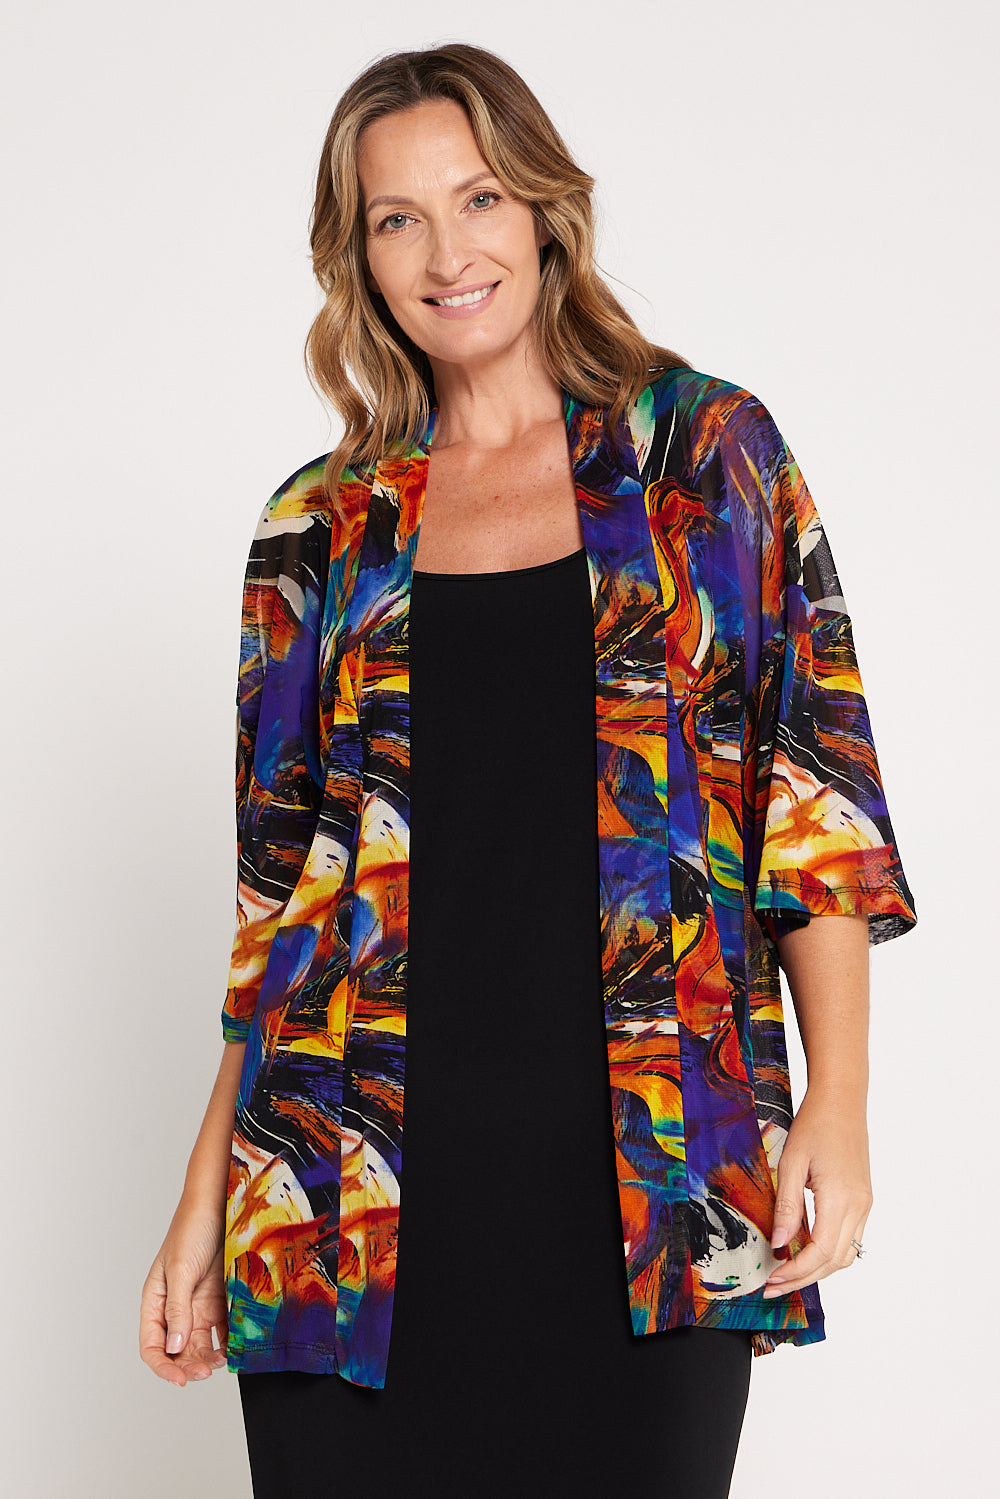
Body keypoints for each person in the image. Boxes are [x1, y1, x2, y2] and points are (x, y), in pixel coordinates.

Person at [139, 41, 916, 1499]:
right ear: (358, 257)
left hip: (649, 1183)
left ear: (546, 209)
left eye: (480, 198)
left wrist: (840, 1102)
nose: (449, 255)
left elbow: (812, 799)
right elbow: (277, 910)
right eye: (398, 218)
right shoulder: (320, 531)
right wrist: (198, 1201)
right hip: (343, 1204)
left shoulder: (705, 458)